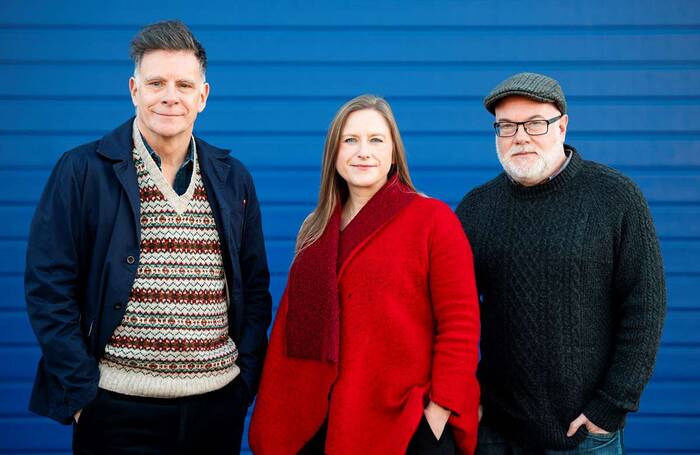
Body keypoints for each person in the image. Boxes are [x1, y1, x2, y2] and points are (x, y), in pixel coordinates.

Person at [24, 20, 272, 454]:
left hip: (215, 409)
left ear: (203, 96)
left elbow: (255, 289)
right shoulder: (83, 171)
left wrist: (243, 384)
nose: (170, 96)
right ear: (134, 89)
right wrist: (85, 395)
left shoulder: (234, 179)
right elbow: (48, 289)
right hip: (115, 411)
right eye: (156, 82)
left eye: (183, 84)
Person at [248, 95, 481, 454]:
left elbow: (460, 323)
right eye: (350, 140)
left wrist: (437, 413)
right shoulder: (315, 229)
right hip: (320, 418)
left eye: (376, 140)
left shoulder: (432, 220)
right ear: (335, 152)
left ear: (393, 153)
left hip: (403, 423)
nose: (363, 152)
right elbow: (289, 330)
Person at [455, 72, 666, 454]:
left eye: (535, 123)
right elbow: (453, 315)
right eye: (506, 126)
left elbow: (644, 309)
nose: (520, 136)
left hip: (585, 433)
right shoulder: (476, 209)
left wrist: (611, 406)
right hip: (496, 431)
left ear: (562, 126)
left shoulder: (615, 199)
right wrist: (465, 394)